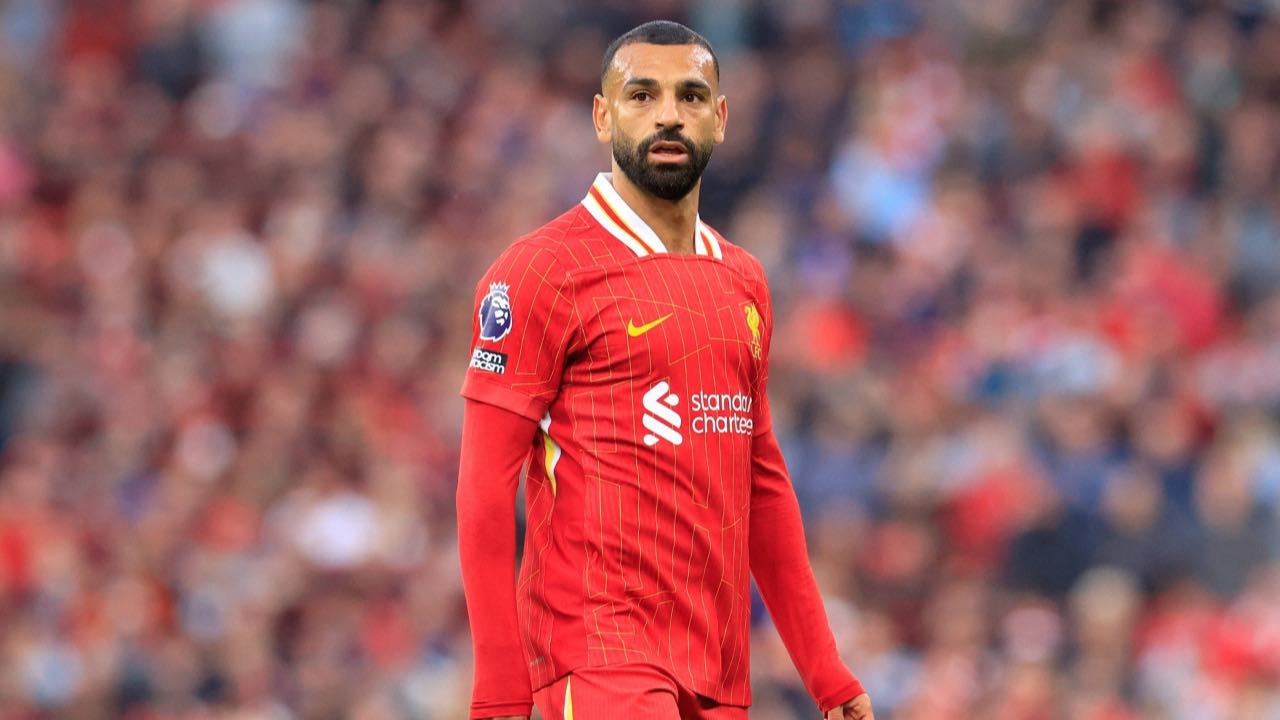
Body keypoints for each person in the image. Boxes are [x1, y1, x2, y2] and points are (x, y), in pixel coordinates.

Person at [456, 20, 875, 720]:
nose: (669, 115)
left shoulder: (744, 280)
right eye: (642, 95)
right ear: (602, 116)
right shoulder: (540, 271)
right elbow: (484, 491)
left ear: (721, 117)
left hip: (717, 669)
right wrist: (499, 691)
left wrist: (826, 673)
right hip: (598, 657)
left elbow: (762, 485)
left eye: (690, 95)